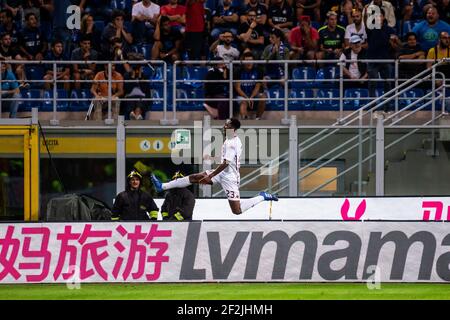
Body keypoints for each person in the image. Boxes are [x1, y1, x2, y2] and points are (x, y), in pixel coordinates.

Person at [151, 118, 278, 216]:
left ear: (233, 128)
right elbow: (227, 160)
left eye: (227, 125)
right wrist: (212, 158)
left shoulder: (232, 143)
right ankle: (162, 186)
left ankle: (262, 196)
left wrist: (211, 175)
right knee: (195, 177)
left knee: (237, 210)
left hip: (230, 178)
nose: (224, 126)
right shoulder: (230, 139)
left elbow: (226, 163)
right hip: (222, 173)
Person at [234, 51, 266, 119]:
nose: (249, 63)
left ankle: (258, 118)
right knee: (243, 103)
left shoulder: (258, 70)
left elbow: (257, 87)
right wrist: (247, 98)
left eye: (251, 60)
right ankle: (245, 122)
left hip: (253, 94)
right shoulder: (238, 71)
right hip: (241, 95)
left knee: (263, 97)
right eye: (247, 61)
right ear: (243, 62)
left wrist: (251, 97)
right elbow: (238, 88)